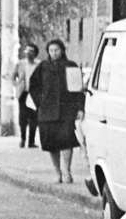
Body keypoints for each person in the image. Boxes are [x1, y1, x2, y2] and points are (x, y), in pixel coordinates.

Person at [28, 39, 85, 182]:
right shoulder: (43, 67)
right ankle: (57, 172)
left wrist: (80, 108)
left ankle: (67, 171)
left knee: (66, 141)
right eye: (51, 50)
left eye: (57, 50)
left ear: (62, 51)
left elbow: (78, 89)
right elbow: (33, 86)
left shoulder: (71, 66)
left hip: (66, 110)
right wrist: (39, 102)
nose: (54, 53)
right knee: (51, 144)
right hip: (47, 111)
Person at [6, 44, 40, 148]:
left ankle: (31, 141)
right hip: (23, 93)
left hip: (35, 94)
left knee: (34, 117)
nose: (29, 53)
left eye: (31, 51)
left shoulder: (39, 64)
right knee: (23, 117)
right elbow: (12, 76)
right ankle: (23, 138)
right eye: (27, 51)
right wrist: (17, 85)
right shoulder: (20, 64)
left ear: (35, 53)